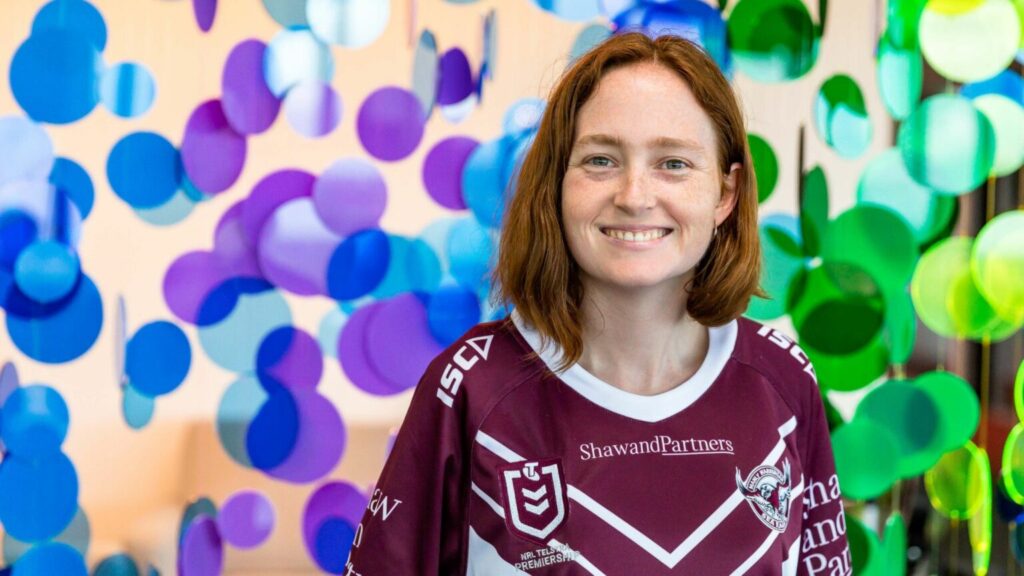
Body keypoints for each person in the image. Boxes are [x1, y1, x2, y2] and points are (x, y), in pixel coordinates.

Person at [345, 32, 849, 575]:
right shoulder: (471, 387)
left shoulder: (782, 378)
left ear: (725, 194)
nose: (634, 196)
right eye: (601, 160)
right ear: (557, 183)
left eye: (673, 163)